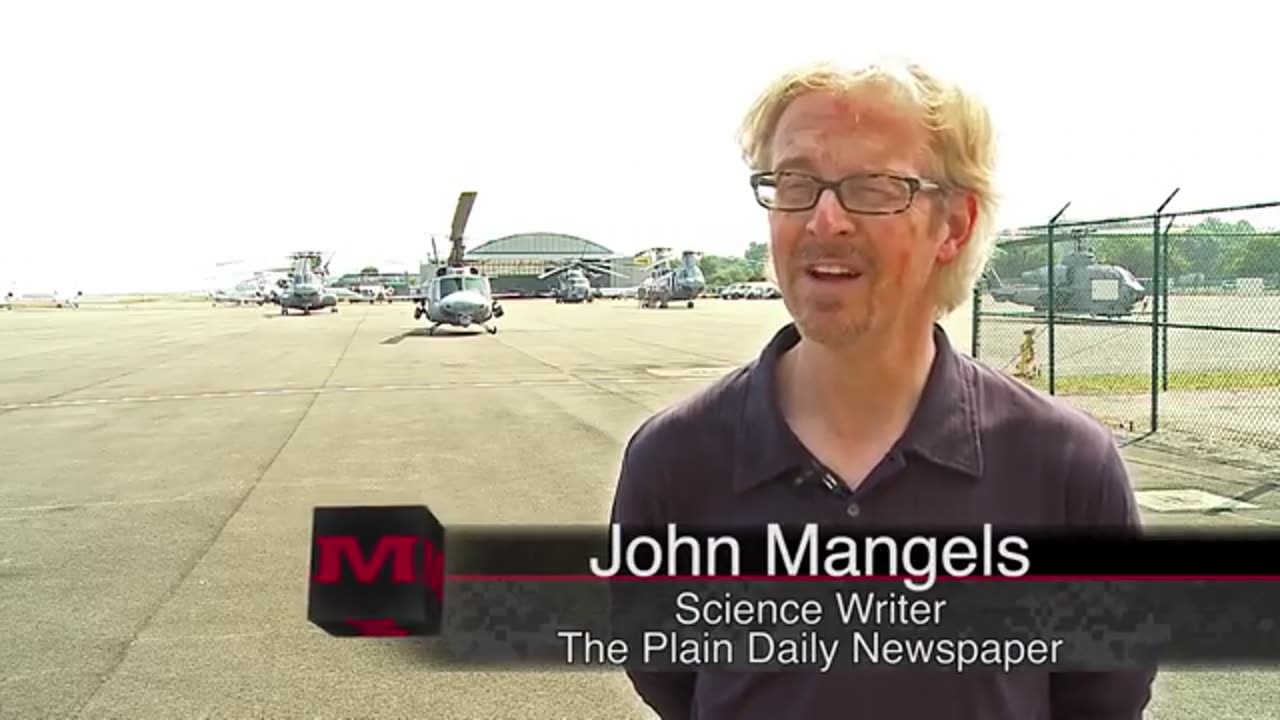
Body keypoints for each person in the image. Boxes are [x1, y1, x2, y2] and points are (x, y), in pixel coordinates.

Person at [607, 59, 1156, 719]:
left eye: (873, 186)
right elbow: (666, 672)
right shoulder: (674, 461)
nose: (824, 220)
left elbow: (1100, 697)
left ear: (953, 225)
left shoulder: (1064, 466)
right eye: (795, 182)